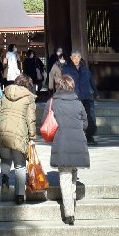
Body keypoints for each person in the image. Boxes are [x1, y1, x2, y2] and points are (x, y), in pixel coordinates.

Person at [43, 74, 89, 225]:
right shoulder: (78, 103)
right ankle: (71, 204)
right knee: (73, 173)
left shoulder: (52, 102)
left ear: (58, 86)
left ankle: (69, 213)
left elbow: (45, 122)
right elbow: (85, 124)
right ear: (71, 86)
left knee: (64, 176)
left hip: (61, 142)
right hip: (77, 142)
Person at [0, 74, 36, 204]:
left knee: (5, 158)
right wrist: (32, 136)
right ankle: (20, 195)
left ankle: (4, 176)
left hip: (2, 133)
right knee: (20, 165)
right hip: (19, 134)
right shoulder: (29, 98)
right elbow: (30, 119)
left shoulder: (5, 94)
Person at [61, 49, 99, 144]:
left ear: (80, 57)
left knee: (89, 117)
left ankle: (89, 136)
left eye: (78, 57)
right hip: (73, 96)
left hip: (86, 96)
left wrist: (95, 92)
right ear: (71, 58)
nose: (76, 59)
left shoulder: (85, 68)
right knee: (74, 117)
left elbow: (91, 81)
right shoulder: (66, 68)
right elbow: (62, 83)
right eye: (74, 57)